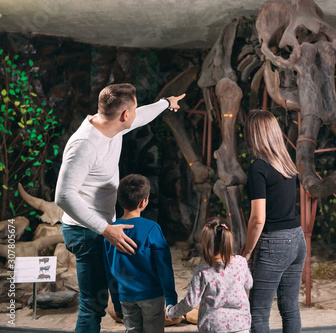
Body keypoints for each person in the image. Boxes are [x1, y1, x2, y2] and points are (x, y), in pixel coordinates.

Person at [55, 83, 185, 333]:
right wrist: (105, 229)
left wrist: (167, 103)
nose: (135, 114)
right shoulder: (85, 145)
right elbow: (63, 196)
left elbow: (142, 115)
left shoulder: (112, 126)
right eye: (133, 109)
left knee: (115, 297)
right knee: (92, 307)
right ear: (125, 114)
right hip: (85, 230)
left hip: (102, 227)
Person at [240, 109, 306, 333]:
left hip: (275, 243)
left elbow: (258, 218)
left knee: (258, 312)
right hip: (298, 240)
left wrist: (247, 251)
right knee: (290, 309)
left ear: (254, 135)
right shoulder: (286, 164)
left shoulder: (259, 167)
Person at [103, 174, 177, 333]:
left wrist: (116, 302)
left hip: (126, 297)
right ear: (143, 202)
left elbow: (109, 271)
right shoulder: (152, 228)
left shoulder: (109, 233)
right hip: (152, 296)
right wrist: (171, 299)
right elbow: (164, 267)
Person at [166, 217, 253, 333]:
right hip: (240, 325)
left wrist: (172, 312)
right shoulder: (241, 262)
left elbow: (191, 302)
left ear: (206, 244)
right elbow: (248, 284)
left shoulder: (202, 271)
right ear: (228, 239)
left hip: (213, 326)